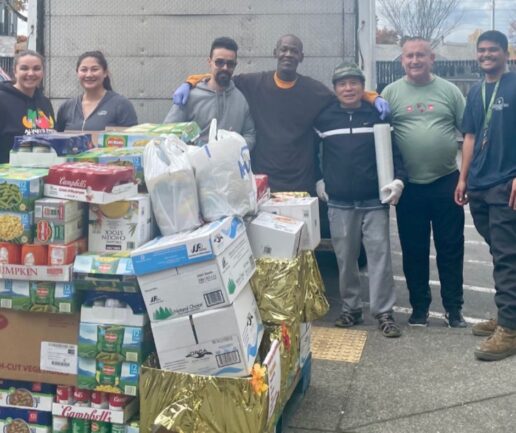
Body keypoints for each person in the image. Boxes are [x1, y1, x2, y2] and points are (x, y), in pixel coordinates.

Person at [173, 34, 390, 194]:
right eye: (284, 49)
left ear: (301, 57)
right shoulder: (253, 83)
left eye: (294, 51)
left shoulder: (314, 91)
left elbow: (346, 94)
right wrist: (190, 82)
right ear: (275, 53)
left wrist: (372, 97)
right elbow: (220, 76)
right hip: (262, 182)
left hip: (301, 184)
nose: (288, 54)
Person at [314, 62, 407, 338]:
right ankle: (351, 309)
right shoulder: (324, 119)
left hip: (373, 201)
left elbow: (396, 155)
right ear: (335, 89)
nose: (348, 88)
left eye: (354, 82)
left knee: (379, 258)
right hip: (339, 202)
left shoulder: (377, 116)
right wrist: (319, 180)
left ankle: (384, 313)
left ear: (362, 86)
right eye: (342, 84)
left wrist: (398, 181)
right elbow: (313, 154)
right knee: (345, 259)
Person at [381, 37, 466, 327]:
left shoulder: (450, 91)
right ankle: (419, 308)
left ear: (432, 59)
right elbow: (378, 134)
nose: (415, 61)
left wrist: (464, 178)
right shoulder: (390, 93)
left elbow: (469, 135)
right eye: (409, 56)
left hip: (446, 182)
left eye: (420, 55)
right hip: (409, 188)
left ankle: (454, 309)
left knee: (451, 248)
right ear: (402, 61)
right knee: (414, 250)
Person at [455, 31, 516, 361]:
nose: (486, 55)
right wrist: (463, 178)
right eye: (482, 50)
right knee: (501, 253)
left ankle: (509, 329)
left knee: (507, 256)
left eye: (493, 50)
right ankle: (510, 315)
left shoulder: (514, 85)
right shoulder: (476, 91)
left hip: (506, 184)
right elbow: (470, 136)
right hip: (479, 184)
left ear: (506, 54)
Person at [164, 37, 255, 148]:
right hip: (192, 164)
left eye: (230, 64)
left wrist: (235, 146)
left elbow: (250, 134)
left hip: (228, 164)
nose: (225, 68)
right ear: (209, 62)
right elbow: (168, 132)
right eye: (219, 62)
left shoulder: (240, 100)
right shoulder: (190, 96)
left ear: (235, 65)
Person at [56, 51, 137, 131]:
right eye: (84, 70)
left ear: (105, 73)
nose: (89, 75)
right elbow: (57, 139)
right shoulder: (66, 107)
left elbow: (132, 139)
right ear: (77, 73)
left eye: (94, 69)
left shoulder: (121, 105)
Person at [0, 50, 55, 163]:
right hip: (8, 177)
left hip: (41, 174)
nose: (31, 73)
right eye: (24, 68)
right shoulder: (2, 99)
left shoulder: (45, 102)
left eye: (36, 68)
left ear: (43, 72)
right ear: (15, 71)